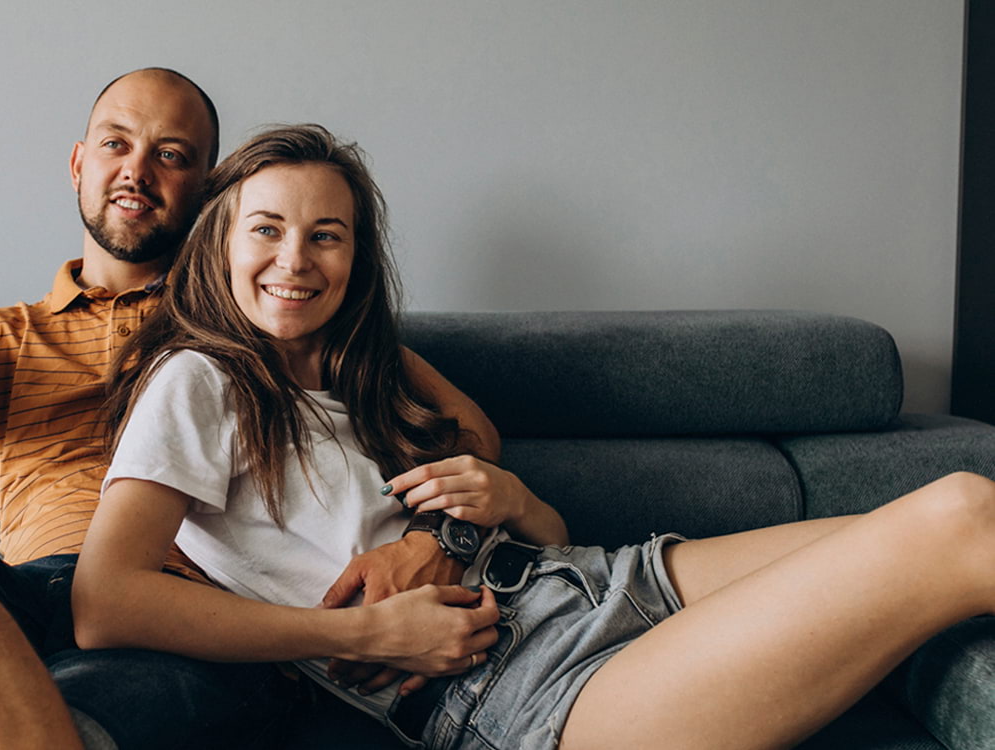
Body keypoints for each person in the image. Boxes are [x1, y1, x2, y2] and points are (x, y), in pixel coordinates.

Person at [70, 123, 995, 749]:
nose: (294, 261)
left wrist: (499, 501)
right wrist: (350, 628)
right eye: (265, 230)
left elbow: (494, 461)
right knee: (957, 518)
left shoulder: (358, 373)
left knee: (952, 509)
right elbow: (105, 600)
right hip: (516, 686)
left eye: (328, 237)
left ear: (358, 257)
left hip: (601, 578)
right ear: (219, 242)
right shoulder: (200, 380)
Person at [0, 69, 499, 749]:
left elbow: (462, 428)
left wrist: (436, 535)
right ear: (80, 163)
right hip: (18, 598)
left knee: (95, 709)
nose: (137, 170)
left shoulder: (270, 307)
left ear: (210, 192)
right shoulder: (2, 337)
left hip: (186, 615)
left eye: (173, 154)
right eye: (117, 143)